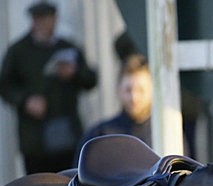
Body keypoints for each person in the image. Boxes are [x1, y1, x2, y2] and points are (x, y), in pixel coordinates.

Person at [0, 1, 97, 174]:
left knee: (68, 183)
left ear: (55, 20)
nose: (42, 25)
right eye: (38, 20)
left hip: (67, 135)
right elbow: (5, 85)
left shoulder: (67, 48)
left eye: (46, 19)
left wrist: (73, 73)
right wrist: (25, 101)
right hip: (35, 140)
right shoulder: (18, 51)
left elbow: (91, 80)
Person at [76, 53, 153, 159]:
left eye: (141, 90)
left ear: (152, 91)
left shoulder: (171, 133)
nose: (134, 97)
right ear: (118, 90)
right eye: (128, 90)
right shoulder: (99, 136)